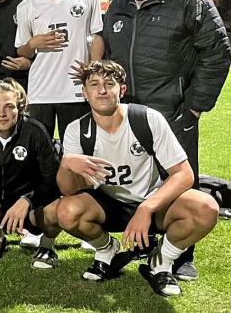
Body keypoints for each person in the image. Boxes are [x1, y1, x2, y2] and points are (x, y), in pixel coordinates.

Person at [102, 0, 231, 279]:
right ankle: (144, 244)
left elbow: (217, 52)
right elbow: (110, 55)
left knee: (181, 184)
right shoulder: (118, 4)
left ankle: (181, 254)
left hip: (174, 112)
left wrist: (194, 107)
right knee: (141, 183)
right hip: (130, 116)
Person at [56, 60, 219, 296]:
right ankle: (107, 250)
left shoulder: (147, 119)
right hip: (109, 205)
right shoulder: (76, 130)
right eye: (94, 84)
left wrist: (146, 208)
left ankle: (161, 262)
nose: (102, 90)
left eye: (109, 83)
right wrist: (67, 164)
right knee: (66, 211)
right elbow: (68, 189)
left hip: (152, 203)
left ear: (121, 89)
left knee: (205, 207)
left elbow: (184, 174)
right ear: (84, 92)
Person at [0, 79, 62, 268]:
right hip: (1, 205)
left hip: (33, 208)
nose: (2, 114)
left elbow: (50, 181)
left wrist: (28, 200)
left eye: (8, 107)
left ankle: (47, 246)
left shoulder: (35, 131)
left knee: (59, 207)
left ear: (20, 107)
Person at [15, 0, 103, 141]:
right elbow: (22, 51)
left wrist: (93, 67)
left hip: (75, 88)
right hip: (41, 91)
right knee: (40, 151)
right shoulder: (27, 6)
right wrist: (33, 44)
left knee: (78, 149)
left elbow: (97, 35)